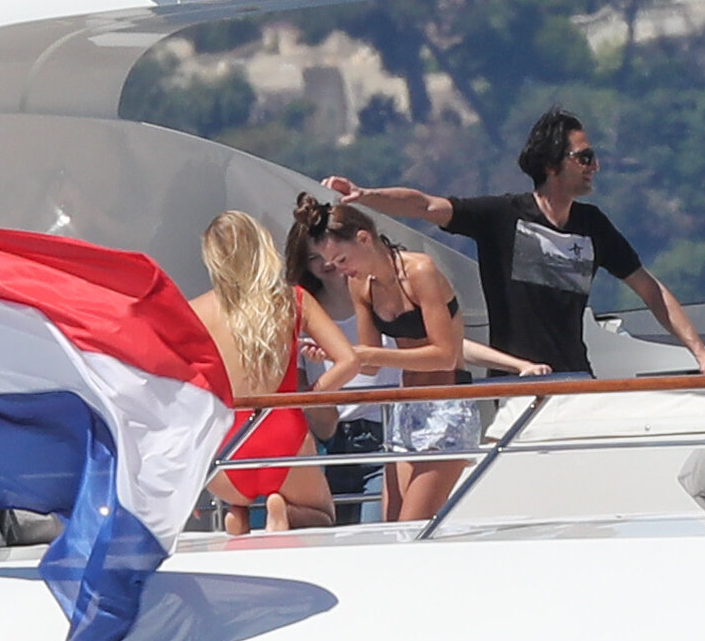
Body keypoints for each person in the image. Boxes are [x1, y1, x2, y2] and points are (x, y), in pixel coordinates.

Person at [322, 107, 705, 377]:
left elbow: (650, 289)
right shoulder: (502, 216)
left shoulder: (593, 225)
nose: (595, 166)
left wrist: (701, 353)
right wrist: (366, 195)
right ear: (552, 165)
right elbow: (427, 205)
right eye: (584, 157)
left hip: (575, 379)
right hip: (516, 383)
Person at [291, 193, 548, 523]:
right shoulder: (360, 285)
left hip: (447, 405)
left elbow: (445, 355)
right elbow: (370, 366)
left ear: (364, 239)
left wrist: (363, 353)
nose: (339, 270)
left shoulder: (420, 271)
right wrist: (333, 353)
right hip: (405, 409)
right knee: (389, 525)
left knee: (411, 523)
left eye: (342, 259)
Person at [190, 210, 359, 535]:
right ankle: (285, 511)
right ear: (261, 246)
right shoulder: (292, 299)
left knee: (238, 499)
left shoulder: (195, 311)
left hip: (226, 440)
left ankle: (239, 511)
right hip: (282, 429)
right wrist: (309, 397)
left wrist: (186, 473)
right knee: (323, 516)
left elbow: (179, 391)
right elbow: (349, 360)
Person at [286, 211, 403, 525]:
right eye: (313, 258)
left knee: (375, 531)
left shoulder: (382, 299)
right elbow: (303, 394)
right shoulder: (301, 315)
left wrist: (511, 363)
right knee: (330, 538)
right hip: (329, 443)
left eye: (333, 256)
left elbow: (438, 344)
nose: (326, 264)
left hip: (384, 434)